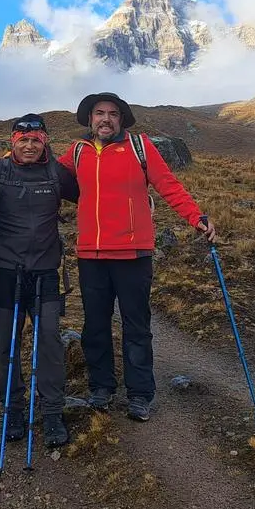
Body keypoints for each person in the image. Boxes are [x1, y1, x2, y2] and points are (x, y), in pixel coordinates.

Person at [58, 93, 216, 423]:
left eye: (112, 114)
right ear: (90, 119)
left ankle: (140, 393)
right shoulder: (77, 152)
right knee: (95, 327)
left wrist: (195, 217)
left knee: (137, 327)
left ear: (121, 119)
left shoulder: (139, 147)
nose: (105, 119)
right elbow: (41, 175)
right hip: (91, 254)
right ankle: (101, 387)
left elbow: (169, 186)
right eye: (99, 113)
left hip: (133, 253)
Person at [0, 113, 79, 447]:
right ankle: (12, 408)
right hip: (4, 272)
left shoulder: (57, 173)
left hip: (45, 272)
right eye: (22, 140)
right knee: (7, 345)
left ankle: (52, 411)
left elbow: (95, 196)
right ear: (13, 141)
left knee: (51, 343)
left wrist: (139, 202)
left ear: (45, 142)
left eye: (35, 140)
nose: (29, 146)